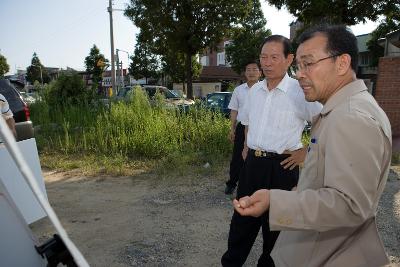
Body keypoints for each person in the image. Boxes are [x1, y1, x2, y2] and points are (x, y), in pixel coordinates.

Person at [234, 25, 392, 267]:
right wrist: (299, 191)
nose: (300, 74)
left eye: (308, 63)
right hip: (257, 168)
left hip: (333, 253)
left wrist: (275, 201)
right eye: (300, 65)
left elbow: (349, 205)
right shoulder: (343, 110)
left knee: (271, 241)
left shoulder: (351, 118)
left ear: (341, 63)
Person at [221, 35, 322, 266]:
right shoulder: (254, 91)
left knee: (277, 229)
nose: (267, 63)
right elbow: (246, 122)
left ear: (289, 59)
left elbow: (326, 122)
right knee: (241, 223)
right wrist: (247, 147)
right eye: (263, 57)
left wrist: (307, 151)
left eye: (274, 57)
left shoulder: (300, 91)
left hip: (282, 168)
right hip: (253, 166)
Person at [225, 61, 262, 195]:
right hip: (242, 127)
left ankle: (255, 184)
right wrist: (232, 129)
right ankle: (232, 183)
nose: (251, 72)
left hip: (260, 127)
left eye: (254, 69)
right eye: (248, 69)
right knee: (237, 156)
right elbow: (234, 110)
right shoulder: (239, 90)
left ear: (260, 72)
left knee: (258, 156)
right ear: (245, 73)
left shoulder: (265, 89)